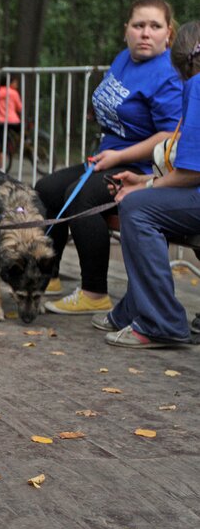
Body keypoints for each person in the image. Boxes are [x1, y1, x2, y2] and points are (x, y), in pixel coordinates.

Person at [36, 0, 182, 315]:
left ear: (168, 34)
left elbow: (169, 135)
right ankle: (49, 275)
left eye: (154, 26)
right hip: (107, 156)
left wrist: (118, 157)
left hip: (140, 165)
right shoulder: (123, 60)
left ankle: (94, 292)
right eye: (138, 25)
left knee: (80, 198)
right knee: (46, 188)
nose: (145, 33)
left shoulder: (168, 74)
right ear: (126, 30)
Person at [93, 21, 200, 348]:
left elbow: (193, 173)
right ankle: (136, 308)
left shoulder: (196, 84)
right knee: (142, 202)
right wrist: (147, 180)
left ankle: (161, 321)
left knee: (137, 209)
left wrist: (145, 188)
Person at [0, 76, 23, 169]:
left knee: (2, 142)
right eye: (15, 82)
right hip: (13, 121)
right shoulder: (14, 93)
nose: (16, 84)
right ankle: (26, 144)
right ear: (10, 83)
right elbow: (20, 107)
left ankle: (2, 165)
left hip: (1, 121)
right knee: (24, 133)